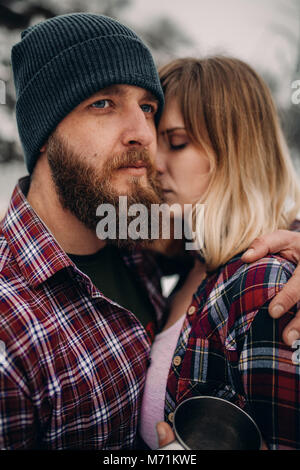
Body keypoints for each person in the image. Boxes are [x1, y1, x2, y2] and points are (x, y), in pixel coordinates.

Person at [0, 12, 300, 451]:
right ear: (44, 131)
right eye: (103, 102)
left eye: (148, 110)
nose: (145, 136)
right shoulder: (12, 322)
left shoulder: (139, 242)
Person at [139, 57, 300, 450]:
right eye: (152, 141)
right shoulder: (184, 262)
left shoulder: (266, 286)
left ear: (237, 152)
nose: (154, 164)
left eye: (177, 142)